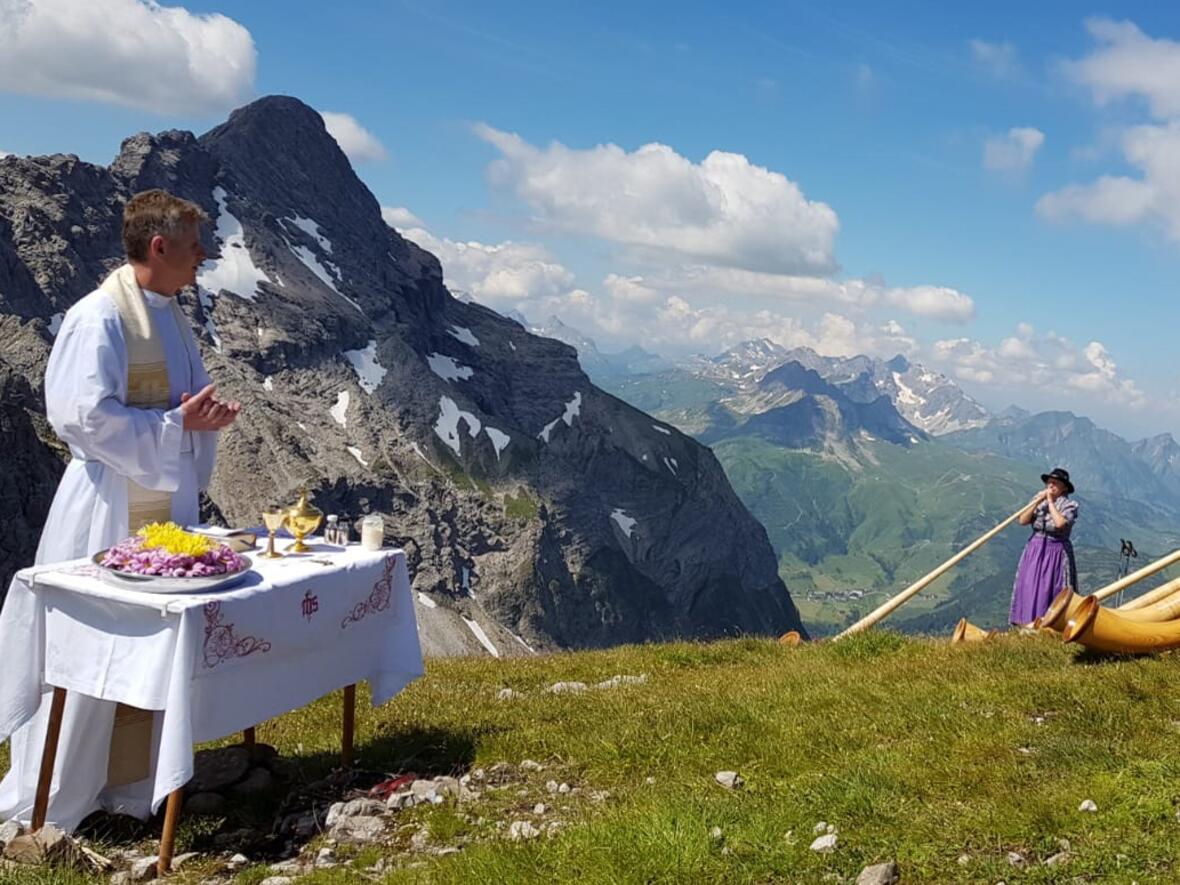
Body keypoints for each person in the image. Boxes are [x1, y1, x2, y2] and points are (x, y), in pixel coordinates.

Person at [0, 189, 240, 830]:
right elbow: (79, 417)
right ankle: (62, 798)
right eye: (194, 247)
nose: (204, 257)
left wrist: (200, 423)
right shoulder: (99, 318)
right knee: (93, 655)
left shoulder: (170, 314)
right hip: (106, 508)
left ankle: (135, 795)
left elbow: (178, 409)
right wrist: (173, 426)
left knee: (149, 656)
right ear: (159, 247)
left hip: (160, 507)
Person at [1009, 467, 1079, 626]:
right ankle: (1026, 622)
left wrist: (1050, 502)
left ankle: (1053, 623)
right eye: (1049, 483)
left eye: (1055, 483)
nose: (1051, 486)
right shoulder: (1038, 500)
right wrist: (1036, 503)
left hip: (1056, 551)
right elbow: (1023, 520)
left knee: (1051, 587)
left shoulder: (1070, 505)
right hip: (1035, 548)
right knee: (1030, 584)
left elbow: (1060, 523)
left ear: (1064, 488)